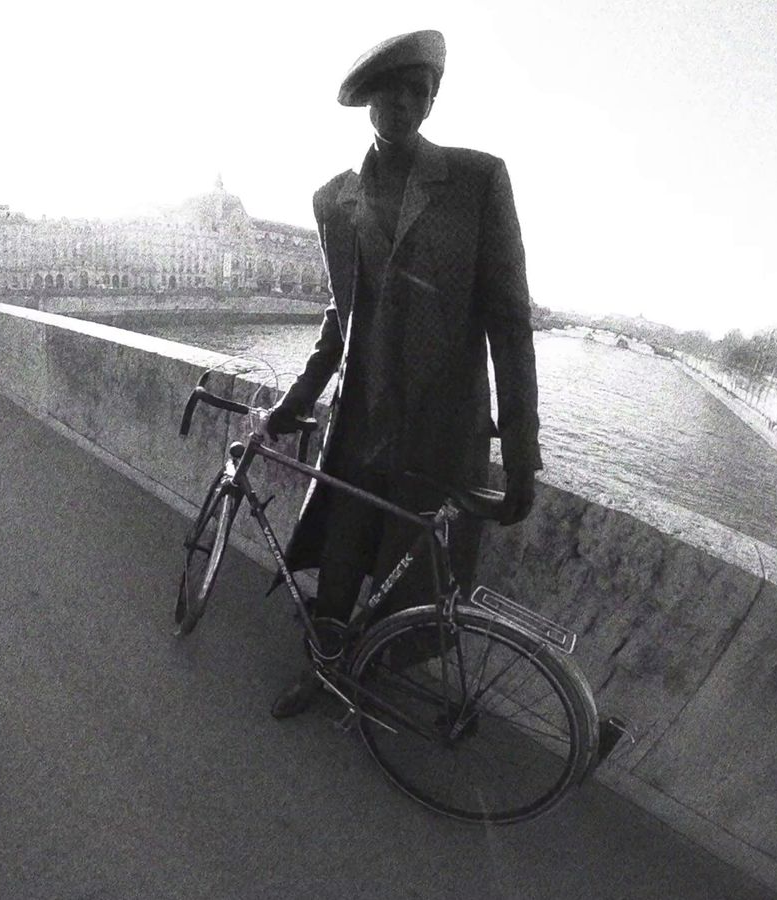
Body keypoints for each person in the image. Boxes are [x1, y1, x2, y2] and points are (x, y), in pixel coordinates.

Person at [263, 30, 542, 718]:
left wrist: (522, 453)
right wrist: (298, 400)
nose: (403, 103)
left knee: (413, 580)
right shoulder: (335, 201)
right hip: (358, 422)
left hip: (442, 430)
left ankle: (372, 677)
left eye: (417, 91)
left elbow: (509, 320)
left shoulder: (477, 181)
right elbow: (342, 318)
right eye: (389, 90)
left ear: (432, 101)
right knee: (342, 556)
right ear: (366, 102)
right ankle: (326, 671)